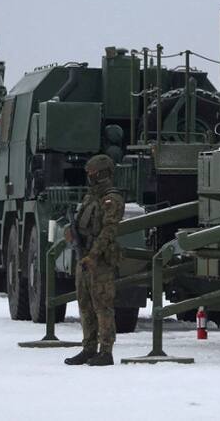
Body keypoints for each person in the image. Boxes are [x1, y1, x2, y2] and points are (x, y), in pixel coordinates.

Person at [64, 154, 125, 366]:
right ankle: (88, 347)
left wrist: (93, 255)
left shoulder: (112, 199)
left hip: (100, 261)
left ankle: (105, 351)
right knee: (85, 305)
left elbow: (109, 230)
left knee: (102, 306)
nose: (90, 177)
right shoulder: (90, 197)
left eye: (93, 174)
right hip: (85, 258)